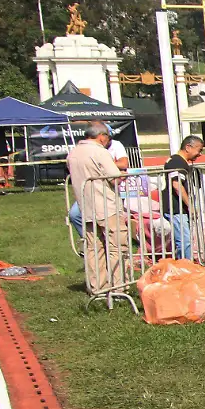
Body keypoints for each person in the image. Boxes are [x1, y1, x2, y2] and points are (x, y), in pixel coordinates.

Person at [66, 122, 126, 292]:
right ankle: (120, 285)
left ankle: (98, 287)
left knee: (93, 249)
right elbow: (114, 178)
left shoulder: (73, 153)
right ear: (102, 137)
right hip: (107, 207)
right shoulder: (100, 152)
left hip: (86, 207)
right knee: (118, 246)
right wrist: (122, 176)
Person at [164, 134, 203, 260]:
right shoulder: (177, 162)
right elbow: (177, 185)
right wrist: (190, 206)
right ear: (188, 147)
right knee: (184, 241)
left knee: (184, 240)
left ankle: (184, 265)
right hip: (176, 209)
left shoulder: (179, 161)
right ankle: (186, 269)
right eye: (199, 150)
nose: (200, 154)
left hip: (179, 209)